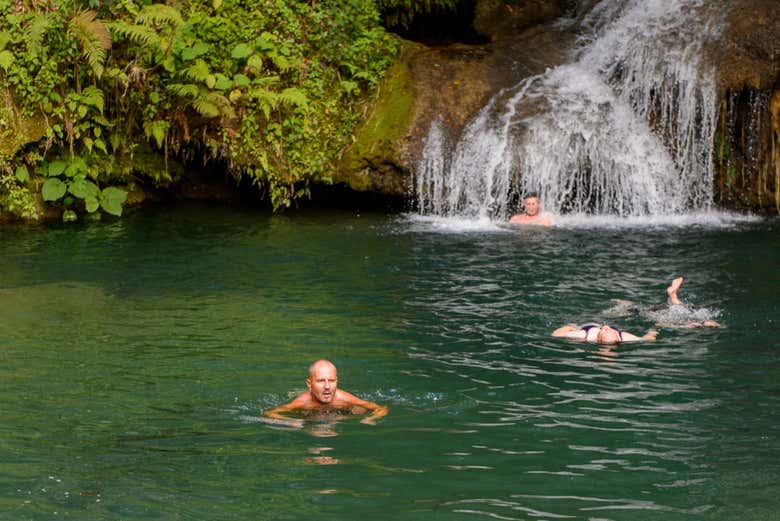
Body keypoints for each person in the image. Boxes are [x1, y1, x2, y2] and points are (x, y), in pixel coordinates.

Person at [264, 359, 388, 425]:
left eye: (331, 381)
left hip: (339, 411)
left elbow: (381, 409)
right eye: (321, 381)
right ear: (309, 384)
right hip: (311, 413)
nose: (327, 386)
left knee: (358, 410)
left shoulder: (344, 398)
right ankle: (297, 391)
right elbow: (269, 414)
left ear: (337, 381)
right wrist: (291, 422)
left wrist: (371, 418)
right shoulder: (302, 401)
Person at [604, 277, 721, 328]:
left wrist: (684, 327)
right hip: (681, 316)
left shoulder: (678, 321)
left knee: (639, 310)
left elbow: (661, 324)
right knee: (688, 314)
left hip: (670, 314)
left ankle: (673, 297)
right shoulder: (697, 321)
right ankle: (673, 296)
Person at [552, 323, 658, 344]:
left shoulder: (584, 336)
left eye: (607, 329)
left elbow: (555, 334)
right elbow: (647, 338)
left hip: (588, 326)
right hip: (590, 325)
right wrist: (654, 329)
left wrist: (570, 327)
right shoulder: (624, 337)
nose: (607, 327)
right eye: (608, 329)